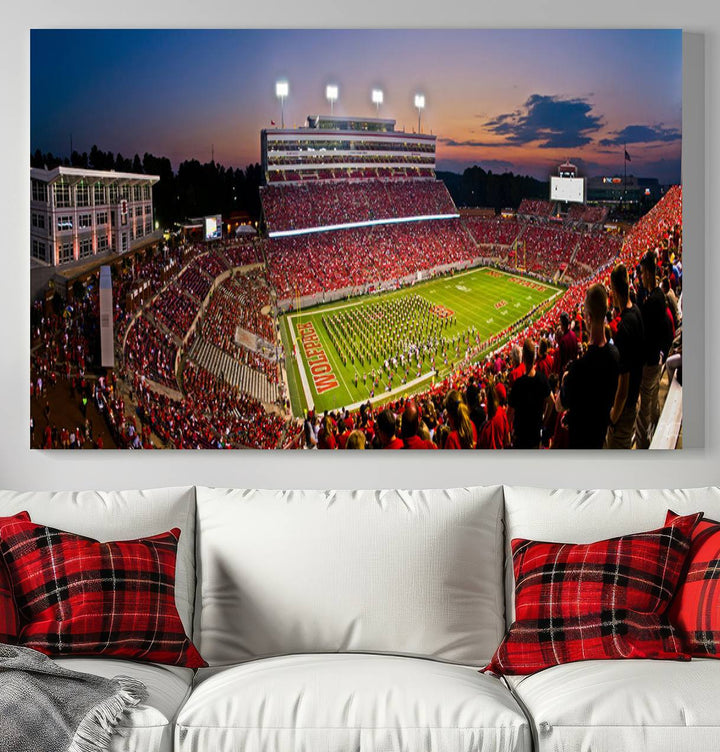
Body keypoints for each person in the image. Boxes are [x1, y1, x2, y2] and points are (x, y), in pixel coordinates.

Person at [557, 284, 620, 449]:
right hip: (600, 437)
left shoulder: (579, 369)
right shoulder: (614, 355)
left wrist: (565, 379)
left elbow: (559, 405)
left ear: (588, 318)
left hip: (581, 443)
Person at [635, 251, 673, 449]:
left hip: (650, 363)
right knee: (653, 402)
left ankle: (644, 449)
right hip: (655, 360)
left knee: (643, 414)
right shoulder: (657, 296)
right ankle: (657, 428)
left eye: (642, 273)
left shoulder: (653, 300)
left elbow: (647, 332)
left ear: (648, 273)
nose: (641, 277)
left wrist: (658, 354)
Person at [605, 263, 645, 449]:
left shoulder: (623, 329)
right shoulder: (636, 311)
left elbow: (623, 384)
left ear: (613, 289)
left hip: (625, 408)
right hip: (635, 396)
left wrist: (613, 418)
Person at [507, 338, 550, 449]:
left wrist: (509, 433)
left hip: (521, 436)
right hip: (535, 433)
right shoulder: (542, 379)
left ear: (523, 358)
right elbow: (552, 402)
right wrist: (543, 422)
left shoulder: (518, 384)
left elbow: (509, 414)